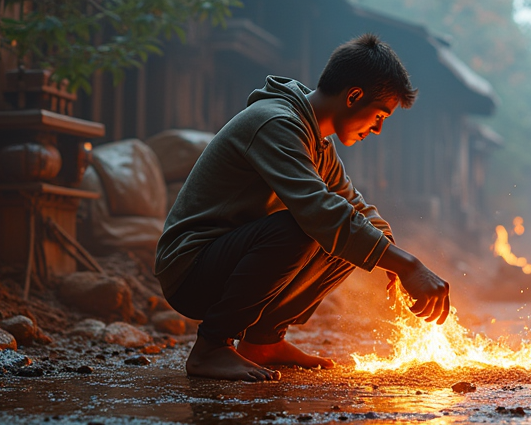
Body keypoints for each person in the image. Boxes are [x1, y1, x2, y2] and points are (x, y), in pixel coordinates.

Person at [155, 33, 452, 382]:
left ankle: (263, 343)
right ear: (354, 96)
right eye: (379, 115)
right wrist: (407, 265)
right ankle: (211, 348)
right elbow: (320, 212)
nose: (378, 129)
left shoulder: (318, 143)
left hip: (224, 263)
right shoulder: (275, 122)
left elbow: (353, 204)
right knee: (309, 226)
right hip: (190, 269)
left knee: (348, 234)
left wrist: (392, 254)